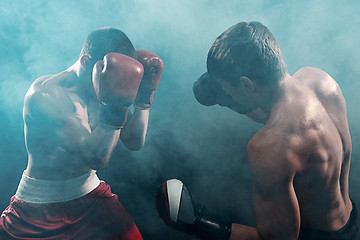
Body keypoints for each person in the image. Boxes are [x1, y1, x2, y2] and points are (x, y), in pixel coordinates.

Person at [156, 21, 359, 240]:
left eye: (227, 89)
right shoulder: (320, 81)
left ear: (246, 85)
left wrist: (199, 222)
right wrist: (230, 100)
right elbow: (288, 123)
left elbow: (279, 238)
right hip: (352, 222)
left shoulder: (268, 148)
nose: (227, 96)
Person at [0, 27, 164, 240]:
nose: (112, 82)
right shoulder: (46, 95)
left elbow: (133, 142)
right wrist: (115, 108)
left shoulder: (104, 85)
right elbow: (96, 157)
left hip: (91, 196)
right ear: (86, 62)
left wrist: (143, 99)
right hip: (38, 209)